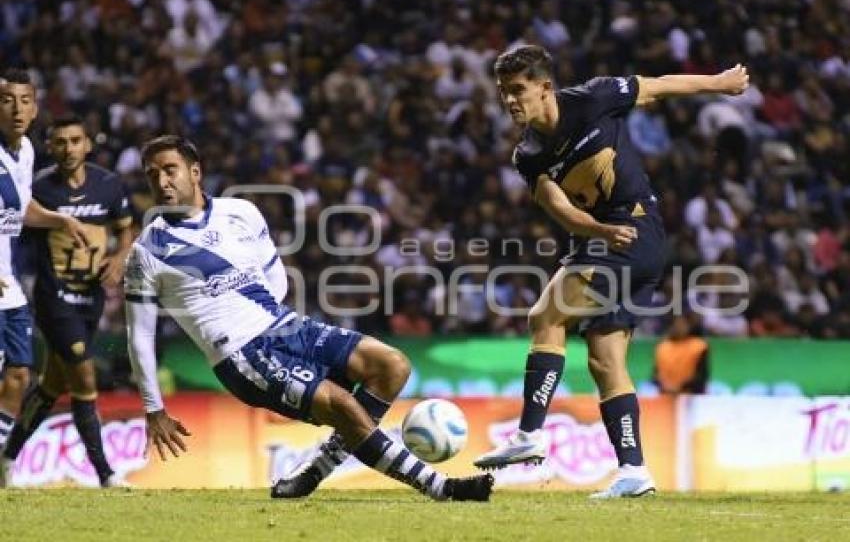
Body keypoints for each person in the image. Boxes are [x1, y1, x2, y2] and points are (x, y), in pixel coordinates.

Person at [122, 135, 492, 501]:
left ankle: (314, 472)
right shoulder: (147, 251)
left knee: (391, 366)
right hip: (241, 354)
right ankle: (441, 487)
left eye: (170, 170)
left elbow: (275, 277)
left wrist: (265, 316)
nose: (161, 182)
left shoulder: (241, 213)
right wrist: (154, 409)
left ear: (195, 171)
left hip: (285, 326)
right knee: (345, 407)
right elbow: (139, 335)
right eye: (151, 175)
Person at [470, 45, 748, 498]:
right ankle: (634, 471)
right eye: (503, 92)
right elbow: (559, 209)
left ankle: (529, 435)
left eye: (518, 90)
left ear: (544, 88)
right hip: (606, 239)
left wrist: (719, 83)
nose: (510, 100)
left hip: (636, 230)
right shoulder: (528, 154)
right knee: (605, 361)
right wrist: (599, 230)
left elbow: (657, 88)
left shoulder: (594, 98)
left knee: (545, 316)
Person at [0, 116, 134, 487]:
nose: (68, 149)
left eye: (75, 141)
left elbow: (126, 229)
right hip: (53, 297)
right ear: (50, 148)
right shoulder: (39, 188)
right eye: (60, 142)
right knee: (83, 373)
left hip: (90, 298)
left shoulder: (108, 185)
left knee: (50, 386)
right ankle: (106, 474)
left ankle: (6, 457)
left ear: (88, 144)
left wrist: (121, 258)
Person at [0, 70, 88, 461]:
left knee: (19, 375)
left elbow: (21, 210)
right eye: (6, 100)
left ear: (35, 110)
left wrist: (61, 219)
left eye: (24, 101)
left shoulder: (27, 153)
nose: (16, 109)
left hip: (8, 285)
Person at [652, 315, 709, 394]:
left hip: (692, 395)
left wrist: (680, 387)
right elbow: (655, 375)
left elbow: (702, 376)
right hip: (665, 394)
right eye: (675, 323)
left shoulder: (699, 346)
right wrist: (665, 386)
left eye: (681, 323)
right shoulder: (662, 347)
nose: (677, 327)